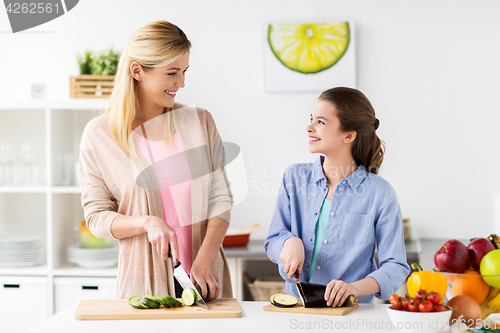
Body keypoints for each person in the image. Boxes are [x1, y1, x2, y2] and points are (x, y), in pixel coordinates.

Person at [79, 20, 233, 300]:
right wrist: (146, 222)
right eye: (172, 73)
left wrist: (207, 256)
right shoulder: (99, 134)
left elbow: (220, 199)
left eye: (184, 71)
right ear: (137, 70)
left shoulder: (200, 122)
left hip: (207, 280)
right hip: (143, 285)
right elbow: (96, 217)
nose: (182, 83)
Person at [265, 87, 410, 306]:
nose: (309, 127)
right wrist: (288, 242)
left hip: (352, 314)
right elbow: (273, 240)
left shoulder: (380, 193)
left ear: (349, 135)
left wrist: (353, 288)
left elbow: (396, 266)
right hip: (295, 311)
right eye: (311, 119)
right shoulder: (294, 178)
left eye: (320, 122)